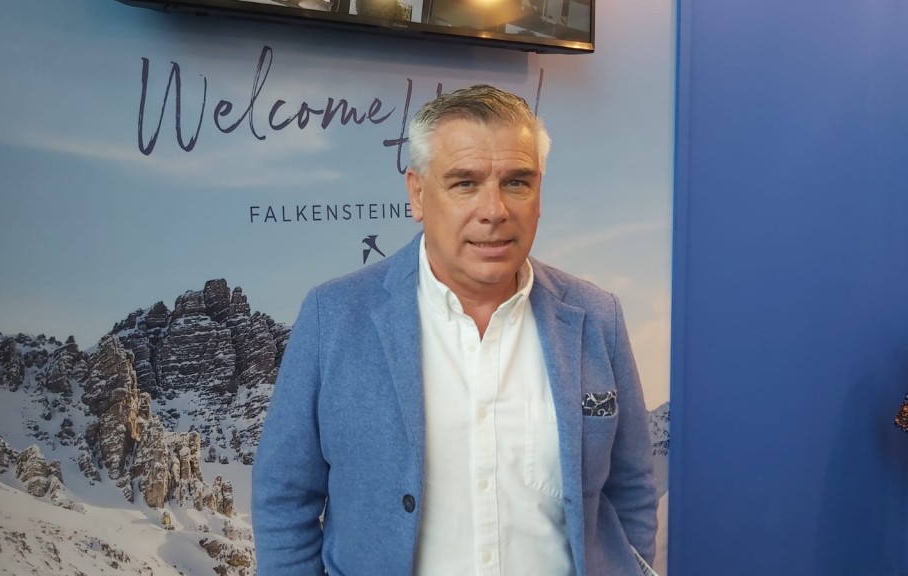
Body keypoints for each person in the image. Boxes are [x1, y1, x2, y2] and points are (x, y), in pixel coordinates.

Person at [252, 84, 658, 575]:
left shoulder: (597, 316)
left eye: (517, 182)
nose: (494, 210)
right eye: (465, 183)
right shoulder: (334, 317)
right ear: (417, 194)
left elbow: (630, 488)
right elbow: (285, 496)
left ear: (539, 194)